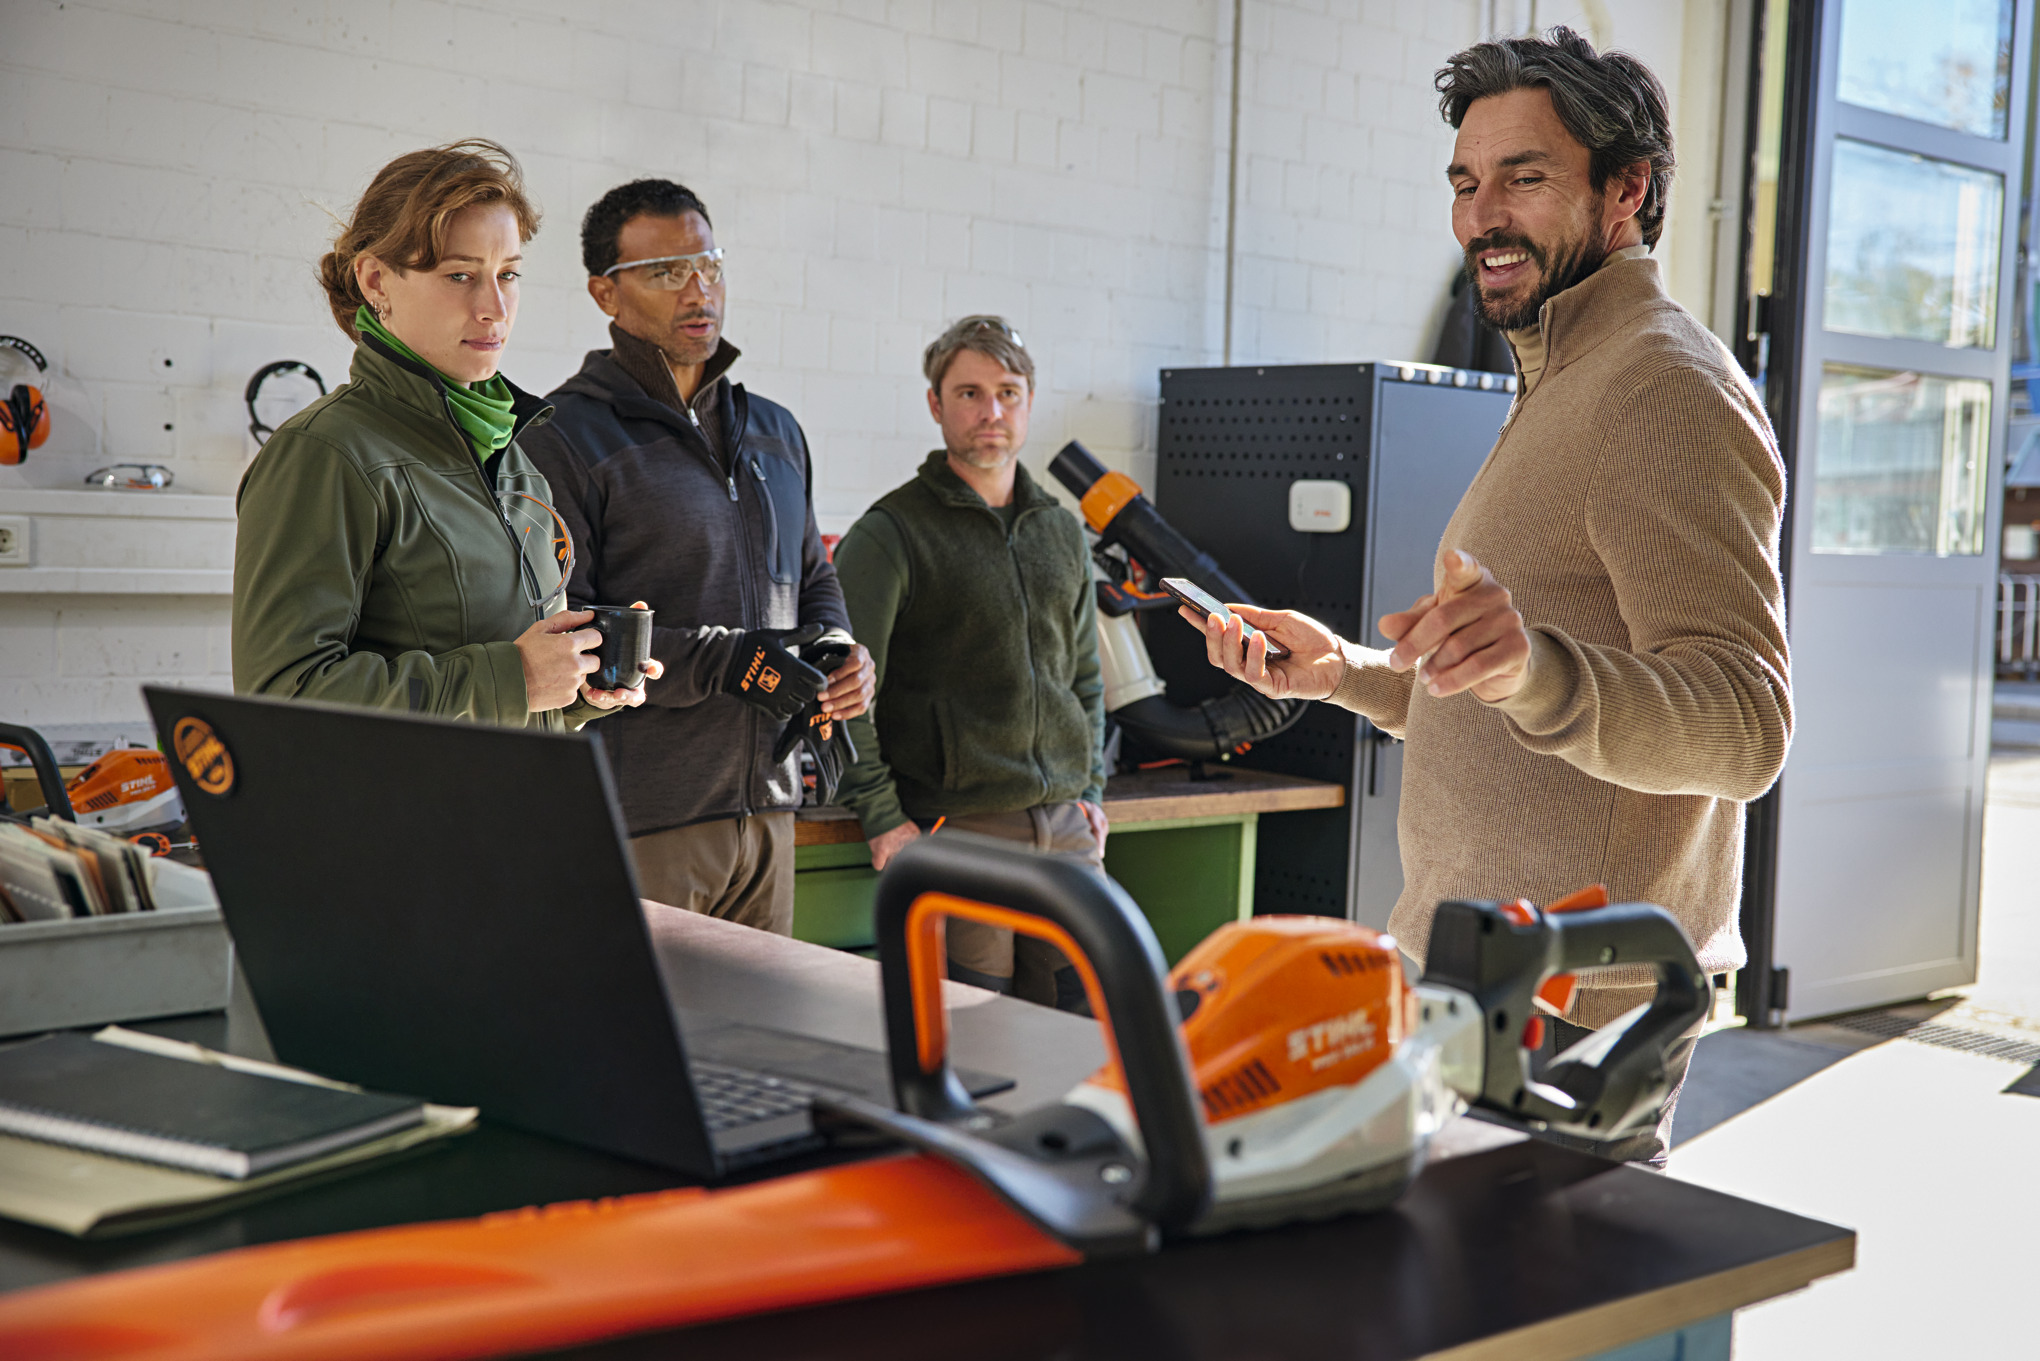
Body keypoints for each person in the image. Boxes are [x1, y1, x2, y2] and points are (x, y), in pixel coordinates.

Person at [1192, 29, 1792, 1167]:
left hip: (1573, 994)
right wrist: (1347, 675)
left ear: (1629, 189)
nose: (1482, 216)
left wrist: (1539, 668)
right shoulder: (1560, 375)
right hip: (1473, 965)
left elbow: (1746, 724)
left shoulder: (1665, 388)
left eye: (1524, 177)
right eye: (1467, 183)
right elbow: (1507, 699)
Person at [520, 179, 874, 936]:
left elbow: (812, 576)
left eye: (709, 264)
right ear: (604, 293)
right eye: (666, 271)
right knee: (642, 1050)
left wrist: (838, 649)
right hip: (643, 821)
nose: (698, 288)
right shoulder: (563, 437)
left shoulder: (777, 431)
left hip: (772, 814)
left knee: (756, 1049)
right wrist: (728, 661)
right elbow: (572, 636)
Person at [234, 140, 657, 728]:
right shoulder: (326, 453)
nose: (494, 308)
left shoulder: (510, 458)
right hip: (401, 819)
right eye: (460, 275)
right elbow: (281, 694)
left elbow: (513, 701)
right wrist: (515, 677)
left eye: (507, 275)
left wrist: (576, 686)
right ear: (376, 280)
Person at [833, 316, 1108, 1008]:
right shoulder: (890, 533)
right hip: (962, 830)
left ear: (1030, 400)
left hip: (1068, 828)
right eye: (970, 393)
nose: (992, 412)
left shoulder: (1062, 530)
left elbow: (1083, 676)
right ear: (936, 404)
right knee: (983, 1026)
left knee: (1086, 1016)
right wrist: (880, 814)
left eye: (1008, 392)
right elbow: (843, 692)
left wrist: (1092, 790)